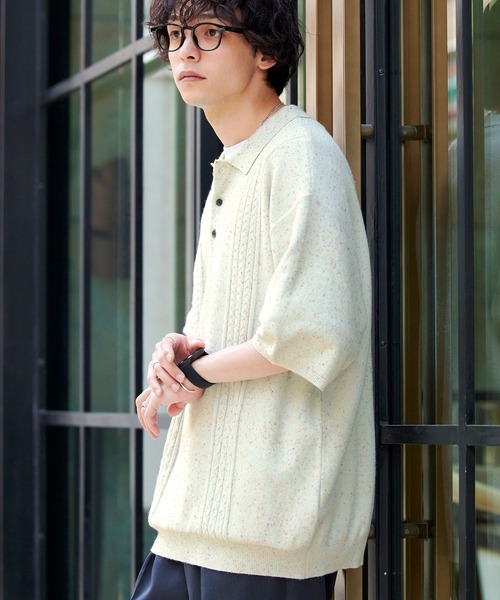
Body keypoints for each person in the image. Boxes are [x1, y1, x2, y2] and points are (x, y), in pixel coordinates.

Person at [132, 1, 375, 598]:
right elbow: (245, 327)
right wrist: (182, 353)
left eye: (210, 32)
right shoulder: (238, 164)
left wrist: (195, 372)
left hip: (267, 531)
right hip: (194, 519)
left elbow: (313, 331)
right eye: (174, 34)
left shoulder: (299, 155)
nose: (184, 51)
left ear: (266, 51)